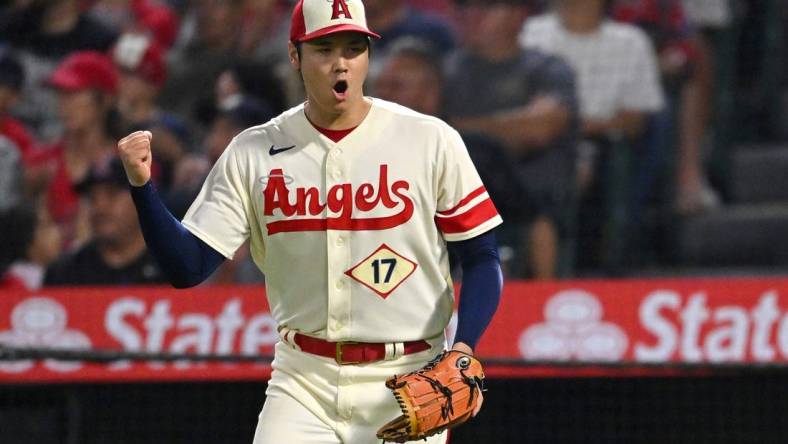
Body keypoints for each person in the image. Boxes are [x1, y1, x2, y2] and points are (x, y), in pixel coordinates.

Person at [116, 0, 503, 443]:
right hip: (303, 379)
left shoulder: (429, 140)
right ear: (295, 55)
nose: (341, 62)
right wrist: (143, 188)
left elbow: (481, 256)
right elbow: (187, 268)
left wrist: (464, 349)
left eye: (354, 48)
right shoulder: (253, 151)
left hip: (410, 374)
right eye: (324, 49)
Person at [443, 0, 579, 279]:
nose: (473, 15)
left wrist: (462, 128)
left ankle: (542, 295)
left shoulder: (546, 69)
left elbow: (541, 128)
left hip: (528, 187)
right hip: (454, 189)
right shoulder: (449, 70)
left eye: (486, 8)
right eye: (466, 8)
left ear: (518, 15)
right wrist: (510, 127)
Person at [44, 155, 165, 286]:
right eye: (91, 198)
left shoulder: (173, 264)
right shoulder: (65, 272)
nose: (100, 208)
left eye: (112, 194)